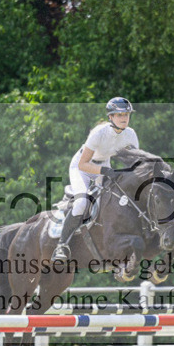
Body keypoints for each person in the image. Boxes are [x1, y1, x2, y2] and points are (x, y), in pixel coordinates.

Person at [51, 97, 139, 262]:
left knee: (113, 200)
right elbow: (84, 164)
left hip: (103, 165)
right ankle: (61, 246)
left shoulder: (130, 134)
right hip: (81, 167)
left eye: (126, 114)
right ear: (110, 117)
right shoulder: (99, 132)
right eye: (119, 115)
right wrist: (106, 171)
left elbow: (135, 163)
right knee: (82, 203)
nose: (124, 118)